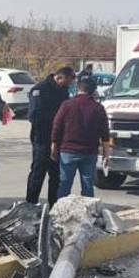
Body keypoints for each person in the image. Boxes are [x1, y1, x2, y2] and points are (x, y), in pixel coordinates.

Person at [50, 71, 111, 199]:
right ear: (94, 91)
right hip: (89, 152)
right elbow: (105, 132)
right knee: (88, 185)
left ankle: (60, 213)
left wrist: (54, 145)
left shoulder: (67, 105)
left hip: (68, 151)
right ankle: (88, 213)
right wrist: (106, 153)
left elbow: (57, 126)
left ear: (78, 89)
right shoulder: (98, 108)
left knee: (64, 184)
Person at [26, 66, 74, 205]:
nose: (69, 86)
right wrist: (57, 119)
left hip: (58, 140)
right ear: (60, 77)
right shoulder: (40, 89)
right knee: (38, 172)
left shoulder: (63, 91)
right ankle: (31, 204)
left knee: (56, 175)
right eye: (67, 82)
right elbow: (34, 116)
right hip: (42, 138)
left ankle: (54, 205)